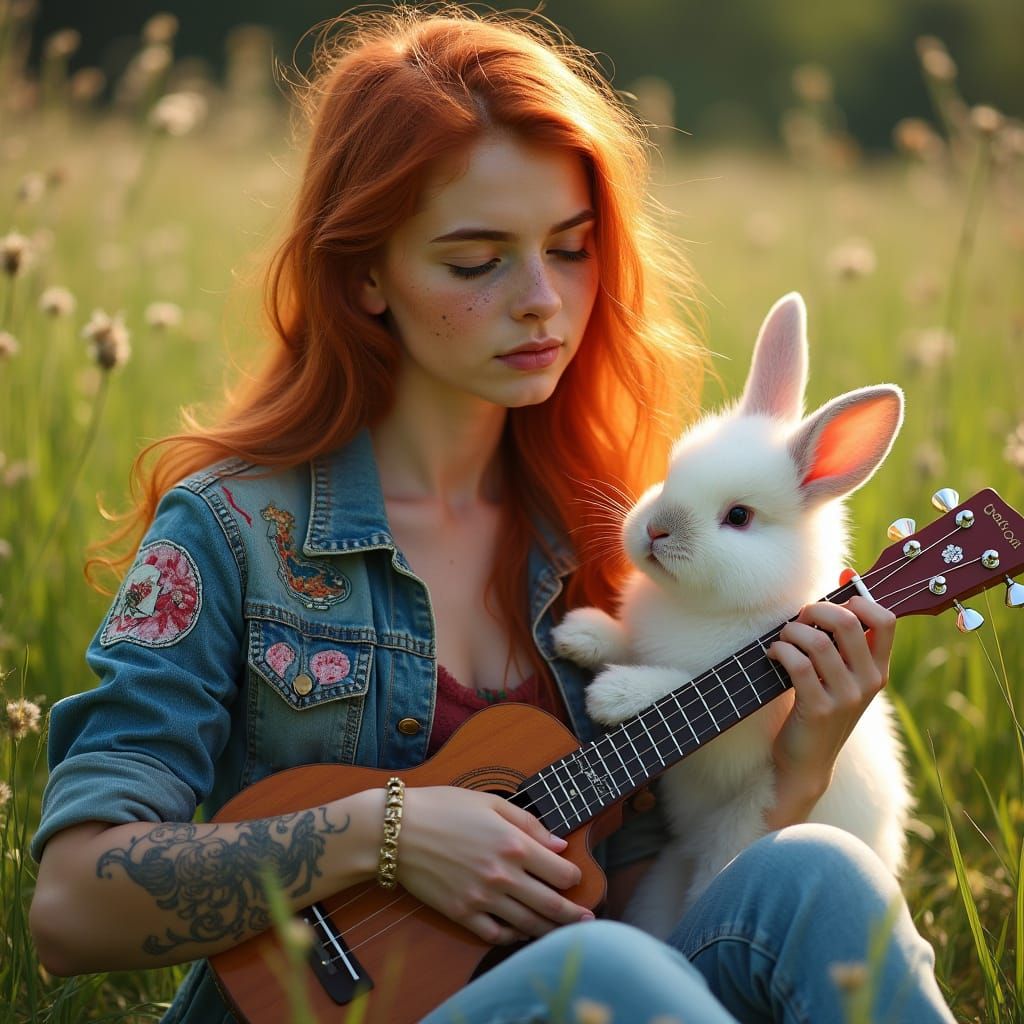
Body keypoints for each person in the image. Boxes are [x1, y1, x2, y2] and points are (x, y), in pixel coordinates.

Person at [29, 7, 954, 1023]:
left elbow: (651, 886)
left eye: (570, 249)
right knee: (602, 969)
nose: (544, 303)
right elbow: (74, 903)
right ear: (365, 273)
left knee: (817, 876)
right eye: (477, 261)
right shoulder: (231, 536)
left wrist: (797, 765)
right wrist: (381, 831)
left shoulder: (604, 538)